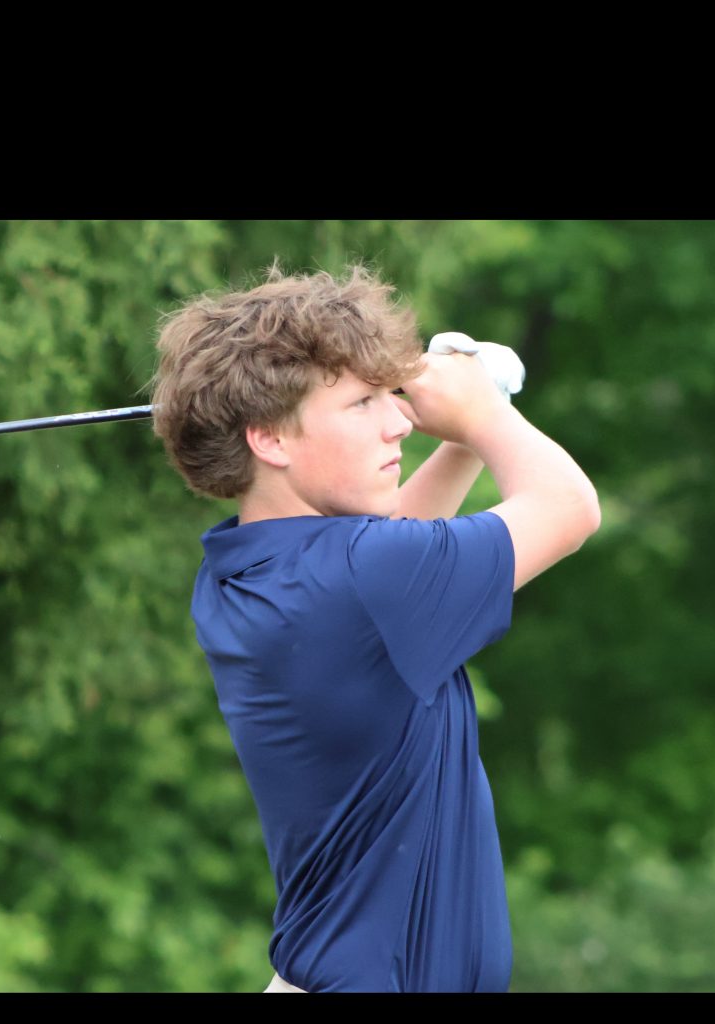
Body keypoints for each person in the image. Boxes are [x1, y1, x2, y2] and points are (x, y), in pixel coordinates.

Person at [146, 261, 601, 992]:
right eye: (362, 403)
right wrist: (483, 416)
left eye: (391, 395)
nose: (400, 421)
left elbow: (390, 565)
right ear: (270, 440)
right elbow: (571, 508)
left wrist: (464, 435)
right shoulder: (364, 576)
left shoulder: (241, 569)